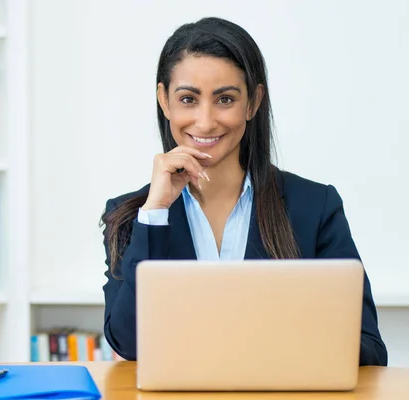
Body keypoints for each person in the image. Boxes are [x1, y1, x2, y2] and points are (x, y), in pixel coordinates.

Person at [100, 16, 388, 366]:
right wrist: (156, 210)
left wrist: (268, 344)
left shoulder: (315, 207)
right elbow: (130, 344)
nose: (205, 121)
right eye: (188, 99)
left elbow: (369, 349)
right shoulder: (134, 217)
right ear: (164, 100)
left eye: (225, 100)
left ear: (253, 102)